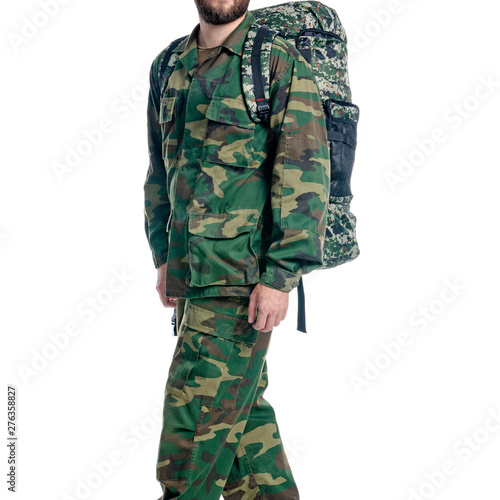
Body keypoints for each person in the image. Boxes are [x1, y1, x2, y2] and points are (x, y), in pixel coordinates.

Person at [144, 0, 330, 498]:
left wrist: (279, 277)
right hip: (189, 280)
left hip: (240, 282)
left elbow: (304, 173)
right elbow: (161, 168)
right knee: (243, 433)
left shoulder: (275, 63)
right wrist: (163, 253)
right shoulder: (168, 65)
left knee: (192, 430)